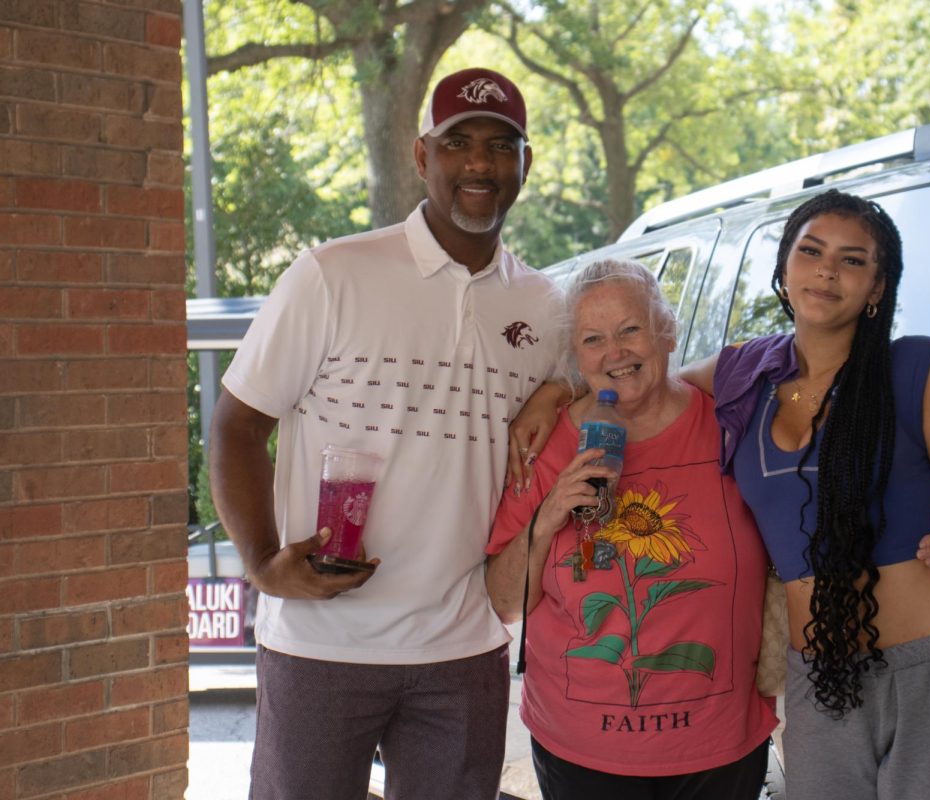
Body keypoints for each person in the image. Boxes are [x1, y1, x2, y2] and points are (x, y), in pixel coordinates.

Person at [208, 67, 564, 800]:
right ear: (420, 156)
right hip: (321, 642)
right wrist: (262, 562)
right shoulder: (333, 274)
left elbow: (616, 382)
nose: (479, 164)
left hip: (464, 647)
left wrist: (561, 388)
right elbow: (239, 424)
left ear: (525, 163)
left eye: (502, 146)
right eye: (458, 142)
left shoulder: (545, 304)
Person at [698, 189, 930, 800]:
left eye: (853, 260)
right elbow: (638, 382)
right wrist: (551, 393)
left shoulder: (918, 367)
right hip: (817, 674)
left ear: (878, 287)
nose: (827, 269)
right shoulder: (744, 375)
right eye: (811, 251)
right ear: (784, 267)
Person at [486, 258, 778, 800]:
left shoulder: (730, 427)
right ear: (575, 358)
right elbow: (504, 603)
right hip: (582, 749)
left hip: (719, 745)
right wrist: (548, 516)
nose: (614, 353)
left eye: (630, 330)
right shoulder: (543, 446)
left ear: (666, 331)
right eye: (593, 339)